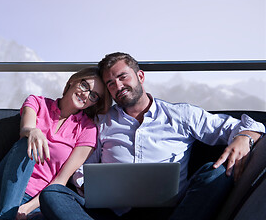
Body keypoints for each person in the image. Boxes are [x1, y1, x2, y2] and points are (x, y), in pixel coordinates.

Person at [38, 52, 266, 220]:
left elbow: (248, 125)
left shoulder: (181, 114)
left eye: (122, 77)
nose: (118, 85)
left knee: (215, 173)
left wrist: (245, 136)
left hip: (172, 213)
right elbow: (81, 167)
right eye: (110, 83)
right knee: (53, 193)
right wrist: (88, 186)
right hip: (111, 214)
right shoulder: (101, 121)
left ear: (140, 76)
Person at [0, 67, 112, 220]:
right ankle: (7, 215)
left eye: (94, 95)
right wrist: (32, 131)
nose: (86, 94)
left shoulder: (88, 130)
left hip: (33, 204)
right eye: (84, 85)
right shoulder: (37, 102)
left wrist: (25, 209)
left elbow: (60, 182)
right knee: (27, 143)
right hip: (0, 190)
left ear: (94, 103)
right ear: (72, 81)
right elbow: (26, 128)